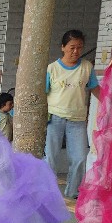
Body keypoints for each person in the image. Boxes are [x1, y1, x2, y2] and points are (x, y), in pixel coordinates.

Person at [44, 29, 100, 197]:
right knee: (50, 157)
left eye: (79, 47)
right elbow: (43, 93)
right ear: (63, 47)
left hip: (77, 120)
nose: (76, 51)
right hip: (54, 118)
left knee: (80, 157)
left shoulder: (87, 67)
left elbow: (95, 89)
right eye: (72, 47)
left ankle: (72, 192)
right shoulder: (52, 68)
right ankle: (48, 192)